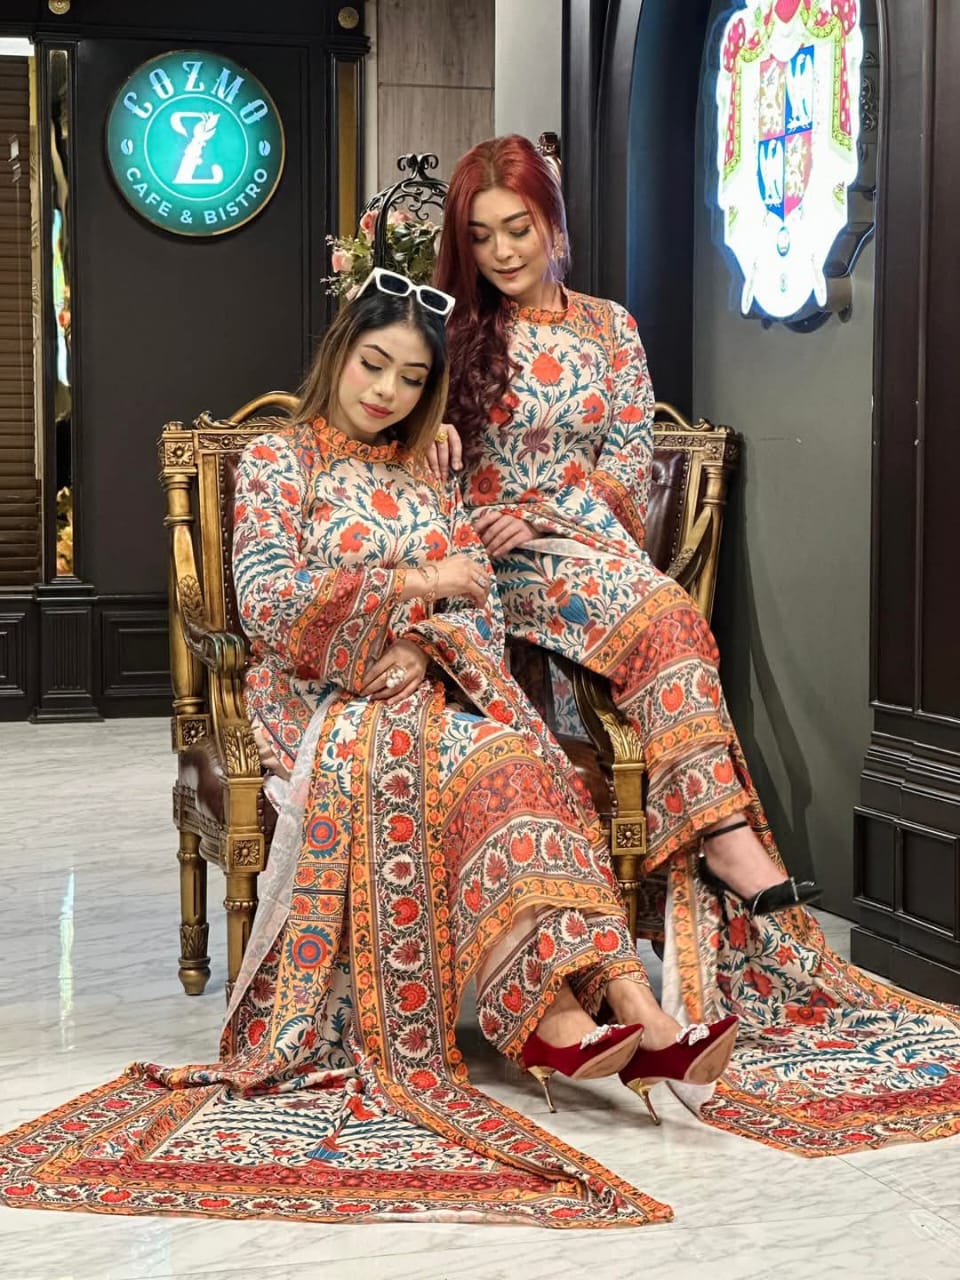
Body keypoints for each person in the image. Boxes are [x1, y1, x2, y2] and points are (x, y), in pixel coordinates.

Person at [0, 272, 736, 1229]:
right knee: (491, 764)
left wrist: (424, 639)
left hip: (434, 688)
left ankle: (640, 1015)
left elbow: (485, 600)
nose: (386, 390)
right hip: (322, 700)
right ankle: (554, 1019)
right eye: (372, 364)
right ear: (339, 355)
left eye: (410, 377)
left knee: (520, 763)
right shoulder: (280, 460)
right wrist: (417, 587)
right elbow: (270, 601)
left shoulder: (427, 473)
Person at [431, 135, 960, 1157]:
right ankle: (725, 840)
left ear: (552, 222)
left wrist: (543, 513)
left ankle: (716, 840)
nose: (502, 252)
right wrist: (471, 507)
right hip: (484, 567)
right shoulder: (453, 332)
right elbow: (412, 463)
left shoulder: (612, 330)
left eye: (518, 228)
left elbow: (630, 470)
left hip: (583, 547)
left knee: (663, 608)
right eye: (482, 236)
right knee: (664, 610)